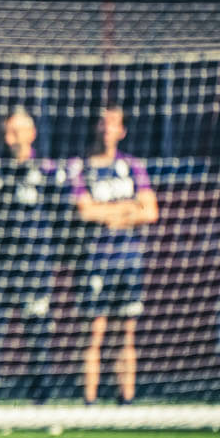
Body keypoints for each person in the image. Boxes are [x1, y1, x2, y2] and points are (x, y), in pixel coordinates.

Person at [0, 108, 68, 403]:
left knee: (38, 334)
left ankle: (41, 400)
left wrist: (51, 253)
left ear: (32, 133)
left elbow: (62, 219)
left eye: (17, 131)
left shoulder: (48, 172)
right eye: (7, 132)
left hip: (35, 266)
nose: (11, 138)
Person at [67, 105, 158, 405]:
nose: (107, 128)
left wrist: (111, 214)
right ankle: (90, 402)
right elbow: (85, 211)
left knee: (126, 334)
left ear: (122, 131)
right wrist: (128, 208)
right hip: (96, 259)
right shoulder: (80, 166)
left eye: (114, 123)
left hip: (128, 259)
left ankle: (126, 401)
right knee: (94, 334)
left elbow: (150, 212)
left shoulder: (133, 166)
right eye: (103, 122)